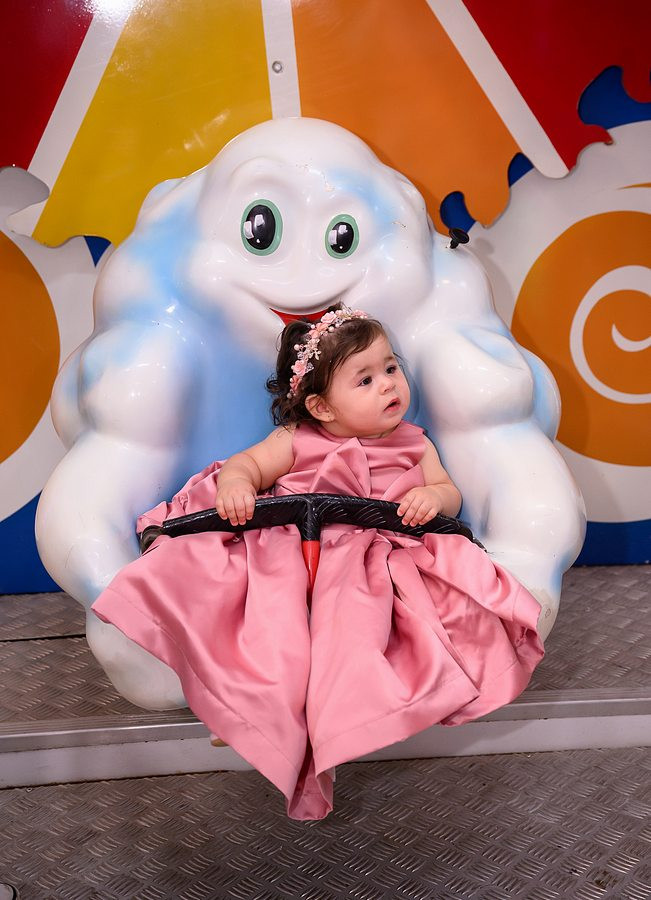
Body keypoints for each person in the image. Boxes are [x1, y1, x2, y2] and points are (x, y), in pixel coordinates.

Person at [92, 306, 544, 820]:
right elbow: (246, 465)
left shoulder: (415, 443)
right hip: (292, 548)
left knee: (354, 631)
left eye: (390, 368)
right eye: (365, 380)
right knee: (266, 621)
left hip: (368, 555)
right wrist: (237, 483)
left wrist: (434, 498)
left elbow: (448, 491)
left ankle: (349, 718)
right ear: (321, 407)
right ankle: (242, 710)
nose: (388, 385)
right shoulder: (297, 440)